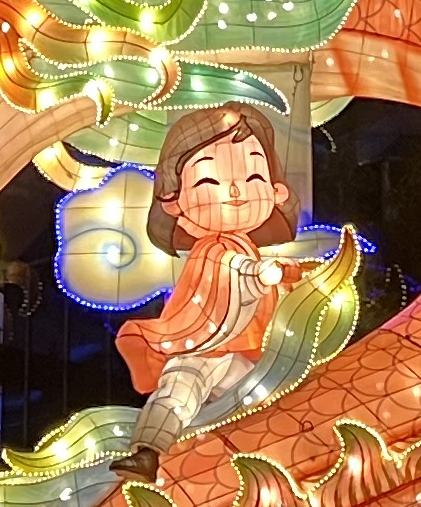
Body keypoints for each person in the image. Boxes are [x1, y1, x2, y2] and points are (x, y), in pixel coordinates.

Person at [110, 101, 299, 477]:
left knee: (258, 401)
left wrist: (294, 274)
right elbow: (235, 270)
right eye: (209, 182)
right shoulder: (214, 249)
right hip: (201, 348)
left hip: (239, 354)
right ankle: (148, 453)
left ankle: (261, 465)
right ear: (174, 201)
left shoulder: (246, 245)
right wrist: (262, 273)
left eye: (254, 177)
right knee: (180, 389)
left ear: (276, 191)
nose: (236, 189)